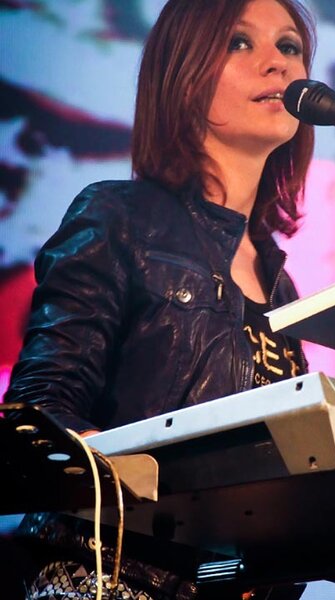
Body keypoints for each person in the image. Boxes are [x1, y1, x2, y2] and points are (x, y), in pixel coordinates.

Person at [6, 0, 316, 598]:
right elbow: (41, 408)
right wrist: (141, 482)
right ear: (183, 74)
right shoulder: (117, 217)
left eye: (289, 46)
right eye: (239, 42)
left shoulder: (285, 292)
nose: (277, 63)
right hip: (103, 575)